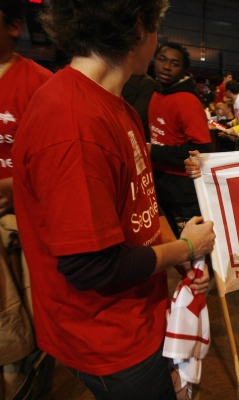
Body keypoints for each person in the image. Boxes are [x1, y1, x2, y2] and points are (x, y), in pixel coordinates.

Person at [11, 1, 216, 399]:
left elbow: (140, 204)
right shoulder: (73, 122)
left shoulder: (115, 105)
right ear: (140, 27)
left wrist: (178, 249)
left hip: (136, 318)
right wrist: (184, 248)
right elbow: (90, 267)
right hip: (106, 337)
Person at [0, 0, 55, 397]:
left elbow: (54, 168)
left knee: (21, 331)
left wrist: (10, 189)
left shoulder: (40, 84)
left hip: (19, 225)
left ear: (14, 26)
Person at [148, 42, 212, 236]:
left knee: (195, 250)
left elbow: (203, 149)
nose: (167, 67)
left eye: (174, 63)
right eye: (162, 60)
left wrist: (153, 151)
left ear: (183, 69)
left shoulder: (187, 100)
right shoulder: (157, 93)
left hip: (182, 191)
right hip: (160, 183)